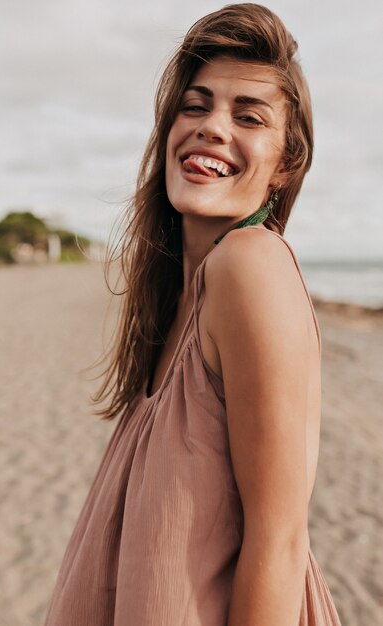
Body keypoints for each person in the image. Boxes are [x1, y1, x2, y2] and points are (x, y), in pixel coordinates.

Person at [44, 4, 342, 625]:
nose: (211, 126)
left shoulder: (250, 268)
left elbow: (280, 545)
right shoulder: (181, 291)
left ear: (286, 162)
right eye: (196, 105)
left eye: (249, 116)